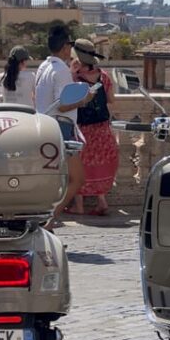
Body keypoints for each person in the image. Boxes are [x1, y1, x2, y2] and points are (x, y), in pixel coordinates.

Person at [35, 24, 94, 229]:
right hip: (61, 128)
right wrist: (85, 99)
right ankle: (48, 220)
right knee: (77, 179)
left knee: (53, 181)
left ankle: (46, 221)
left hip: (44, 126)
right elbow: (62, 104)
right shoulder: (61, 71)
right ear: (65, 48)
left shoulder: (44, 67)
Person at [68, 39, 119, 216]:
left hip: (83, 128)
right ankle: (101, 201)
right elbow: (111, 100)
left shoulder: (74, 77)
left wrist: (71, 72)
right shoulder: (103, 76)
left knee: (80, 165)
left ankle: (79, 205)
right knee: (100, 164)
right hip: (102, 127)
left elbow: (68, 100)